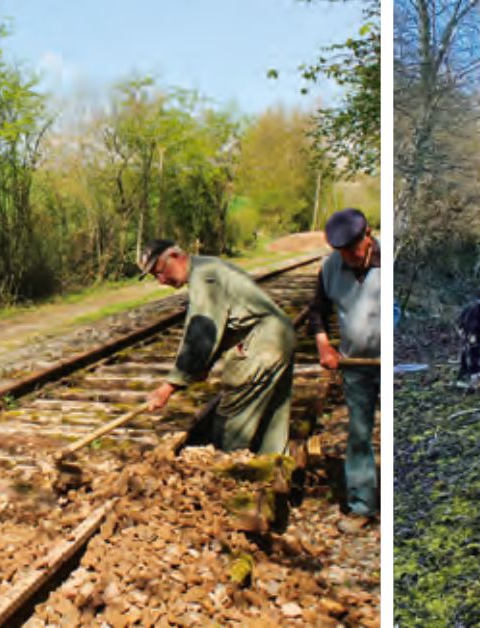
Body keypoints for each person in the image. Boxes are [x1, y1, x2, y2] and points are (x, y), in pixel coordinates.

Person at [141, 239, 295, 455]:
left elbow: (201, 335)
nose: (161, 281)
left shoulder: (205, 278)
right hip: (278, 335)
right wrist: (206, 364)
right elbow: (226, 324)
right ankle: (272, 464)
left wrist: (169, 387)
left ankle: (229, 474)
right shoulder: (208, 267)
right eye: (155, 277)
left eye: (160, 272)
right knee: (271, 414)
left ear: (175, 257)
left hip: (263, 343)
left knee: (232, 417)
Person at [308, 208, 381, 517]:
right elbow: (316, 312)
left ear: (368, 235)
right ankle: (362, 505)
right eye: (341, 252)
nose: (348, 257)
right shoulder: (330, 268)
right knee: (360, 434)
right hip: (356, 364)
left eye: (353, 250)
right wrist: (324, 346)